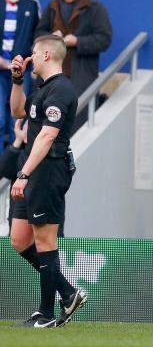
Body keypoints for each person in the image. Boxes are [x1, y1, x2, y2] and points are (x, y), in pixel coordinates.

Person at [9, 34, 84, 327]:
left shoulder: (62, 89)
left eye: (33, 53)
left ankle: (46, 314)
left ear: (46, 56)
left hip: (48, 169)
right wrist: (17, 80)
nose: (29, 58)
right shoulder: (42, 88)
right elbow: (17, 111)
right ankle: (68, 293)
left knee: (44, 242)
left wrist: (24, 174)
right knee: (19, 239)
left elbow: (48, 134)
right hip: (33, 169)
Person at [35, 0, 112, 128]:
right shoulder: (52, 7)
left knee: (77, 122)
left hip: (81, 76)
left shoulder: (95, 8)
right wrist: (51, 36)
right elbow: (38, 34)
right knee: (47, 122)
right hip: (52, 75)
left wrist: (77, 41)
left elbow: (104, 39)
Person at [0, 0, 40, 152]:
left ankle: (13, 166)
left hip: (20, 70)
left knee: (16, 120)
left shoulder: (31, 3)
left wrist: (30, 61)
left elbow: (38, 34)